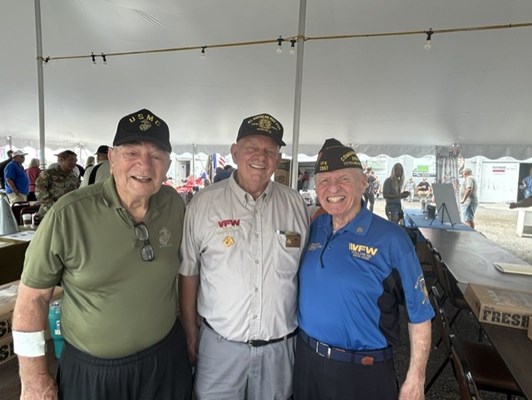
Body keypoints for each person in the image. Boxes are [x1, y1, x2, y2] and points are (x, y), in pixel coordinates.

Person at [12, 108, 192, 400]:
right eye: (132, 152)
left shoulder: (174, 205)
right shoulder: (68, 214)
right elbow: (32, 297)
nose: (144, 165)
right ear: (112, 157)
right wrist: (33, 379)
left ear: (168, 164)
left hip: (164, 363)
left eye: (156, 156)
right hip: (93, 373)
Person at [179, 113, 308, 400]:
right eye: (252, 147)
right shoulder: (203, 204)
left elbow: (304, 270)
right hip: (220, 349)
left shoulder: (295, 204)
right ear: (235, 152)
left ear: (278, 158)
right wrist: (190, 332)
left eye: (270, 151)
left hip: (279, 349)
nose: (260, 157)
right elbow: (189, 272)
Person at [294, 138, 434, 400]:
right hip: (306, 363)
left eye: (343, 179)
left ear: (363, 184)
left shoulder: (392, 239)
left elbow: (420, 313)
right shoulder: (314, 228)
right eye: (324, 181)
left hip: (362, 373)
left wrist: (416, 377)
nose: (332, 188)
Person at [35, 150, 80, 218]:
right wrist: (55, 207)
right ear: (61, 160)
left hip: (67, 213)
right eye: (71, 160)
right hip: (49, 213)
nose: (74, 163)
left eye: (75, 161)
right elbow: (40, 193)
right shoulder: (48, 174)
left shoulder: (74, 176)